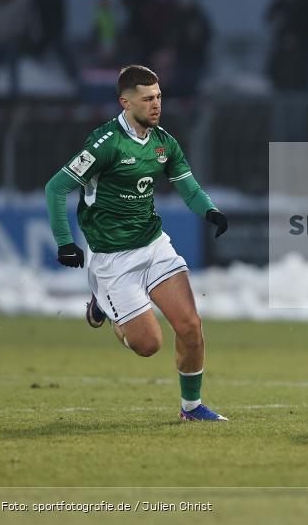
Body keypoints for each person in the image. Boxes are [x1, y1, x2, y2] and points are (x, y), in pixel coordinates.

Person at [44, 65, 230, 422]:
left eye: (159, 96)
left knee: (191, 326)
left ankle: (191, 408)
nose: (156, 104)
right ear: (125, 102)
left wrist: (211, 212)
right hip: (113, 259)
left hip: (153, 245)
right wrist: (65, 242)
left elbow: (188, 188)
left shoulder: (164, 143)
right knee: (149, 345)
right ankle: (104, 304)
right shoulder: (105, 143)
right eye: (147, 99)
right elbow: (56, 187)